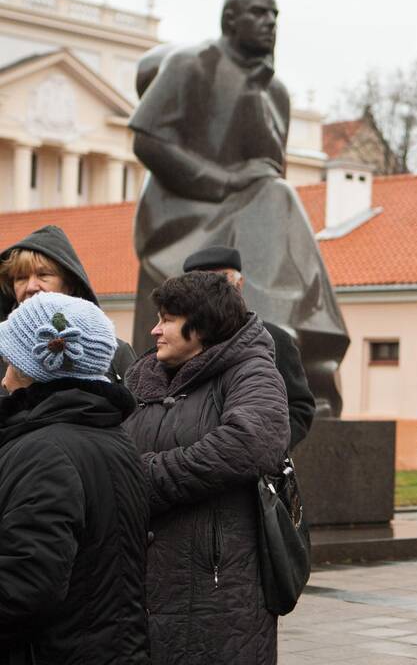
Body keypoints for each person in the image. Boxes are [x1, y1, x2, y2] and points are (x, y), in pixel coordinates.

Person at [129, 0, 349, 417]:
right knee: (276, 197)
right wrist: (224, 181)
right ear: (231, 20)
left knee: (276, 196)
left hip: (252, 207)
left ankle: (300, 347)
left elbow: (270, 165)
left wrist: (250, 179)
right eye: (258, 13)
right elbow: (148, 141)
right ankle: (279, 341)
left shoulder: (276, 91)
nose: (270, 23)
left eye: (274, 15)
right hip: (184, 211)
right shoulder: (193, 64)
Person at [123, 271, 289, 664]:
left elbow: (249, 444)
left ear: (201, 326)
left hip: (218, 583)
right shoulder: (141, 377)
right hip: (143, 580)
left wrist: (144, 478)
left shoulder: (251, 370)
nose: (155, 329)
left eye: (167, 319)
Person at [0, 292, 149, 664]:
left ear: (35, 372)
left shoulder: (45, 452)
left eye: (12, 365)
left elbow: (26, 584)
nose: (4, 379)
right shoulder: (109, 435)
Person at [183, 245, 316, 448]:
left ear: (239, 284)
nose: (213, 287)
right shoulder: (175, 340)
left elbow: (299, 407)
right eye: (203, 279)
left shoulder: (274, 338)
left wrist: (270, 447)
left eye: (222, 278)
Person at [0, 225, 137, 386]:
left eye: (43, 275)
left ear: (70, 284)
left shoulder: (115, 353)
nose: (30, 287)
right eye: (21, 278)